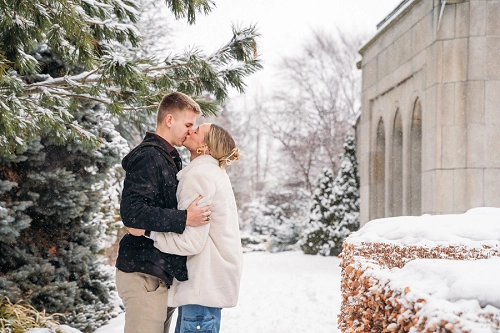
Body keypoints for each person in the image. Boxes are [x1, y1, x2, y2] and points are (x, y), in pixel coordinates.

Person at [128, 123, 243, 333]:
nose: (190, 130)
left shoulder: (199, 176)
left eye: (196, 130)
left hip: (201, 288)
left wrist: (147, 231)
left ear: (205, 147)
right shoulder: (213, 173)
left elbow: (190, 242)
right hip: (206, 289)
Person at [115, 92, 212, 333]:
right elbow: (132, 214)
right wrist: (184, 218)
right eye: (188, 124)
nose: (190, 131)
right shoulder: (149, 156)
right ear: (169, 120)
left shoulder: (170, 158)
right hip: (142, 271)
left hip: (158, 272)